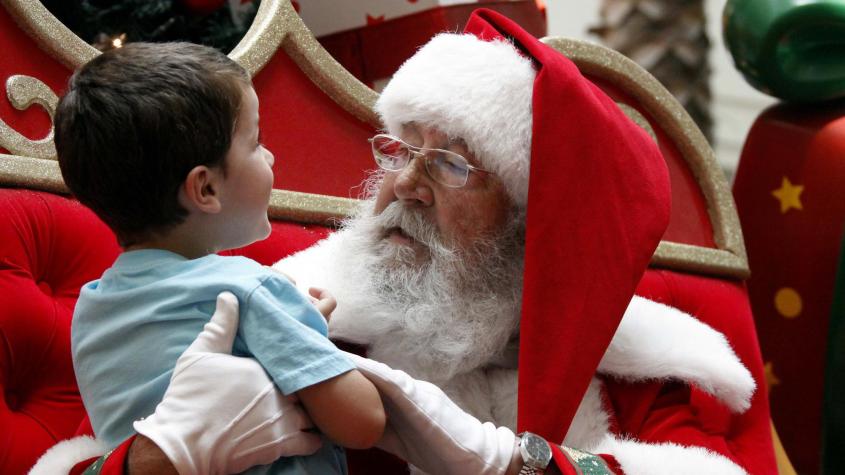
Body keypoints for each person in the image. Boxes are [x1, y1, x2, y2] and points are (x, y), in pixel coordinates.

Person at [35, 9, 775, 475]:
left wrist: (515, 465)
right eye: (397, 149)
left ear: (531, 224)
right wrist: (157, 460)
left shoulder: (648, 372)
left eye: (449, 162)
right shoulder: (267, 300)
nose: (404, 186)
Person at [51, 42, 385, 474]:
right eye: (256, 141)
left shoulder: (92, 311)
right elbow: (364, 423)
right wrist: (304, 334)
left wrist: (291, 328)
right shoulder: (248, 288)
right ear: (205, 189)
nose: (270, 155)